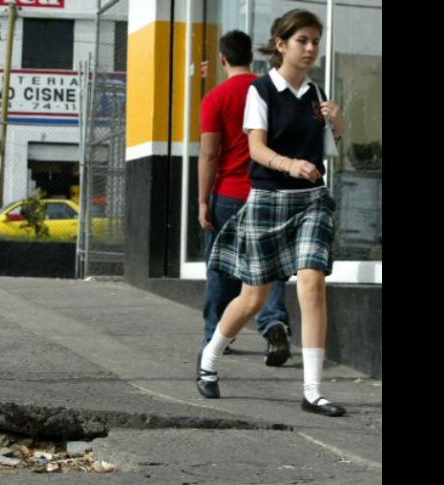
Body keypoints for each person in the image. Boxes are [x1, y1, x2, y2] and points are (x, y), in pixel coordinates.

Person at [198, 9, 346, 417]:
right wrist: (290, 164)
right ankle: (210, 358)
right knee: (252, 297)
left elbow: (329, 148)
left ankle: (313, 391)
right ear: (281, 44)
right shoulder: (259, 91)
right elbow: (257, 149)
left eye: (316, 40)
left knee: (312, 283)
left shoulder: (316, 93)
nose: (311, 48)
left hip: (312, 198)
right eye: (303, 40)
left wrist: (338, 122)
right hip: (268, 198)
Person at [198, 30, 291, 366]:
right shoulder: (270, 91)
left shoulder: (216, 98)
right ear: (252, 57)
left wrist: (203, 202)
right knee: (271, 266)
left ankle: (216, 335)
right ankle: (274, 324)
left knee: (222, 269)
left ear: (223, 59)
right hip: (270, 192)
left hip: (229, 195)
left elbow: (209, 155)